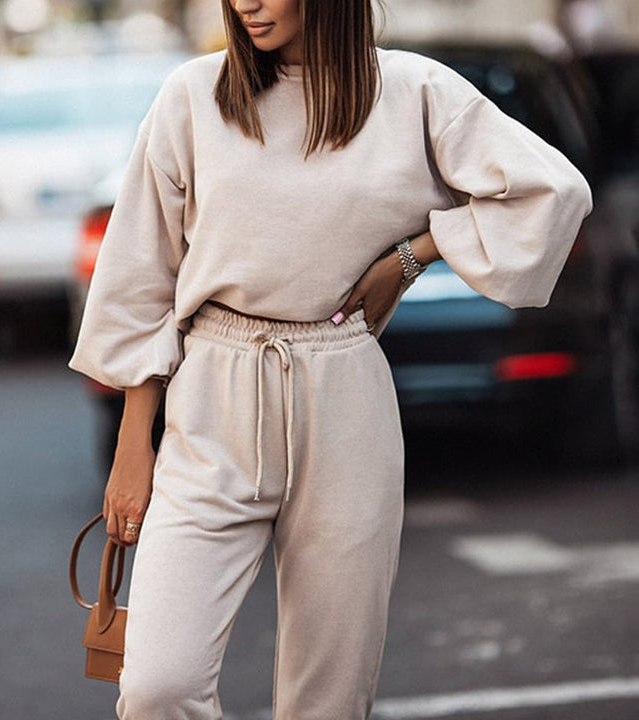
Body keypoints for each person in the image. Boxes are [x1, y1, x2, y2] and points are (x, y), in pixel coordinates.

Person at [69, 1, 593, 717]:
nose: (247, 3)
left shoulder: (414, 93)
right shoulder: (193, 95)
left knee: (329, 699)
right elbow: (141, 277)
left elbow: (552, 191)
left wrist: (413, 256)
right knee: (159, 684)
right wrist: (134, 449)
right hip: (212, 397)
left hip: (344, 394)